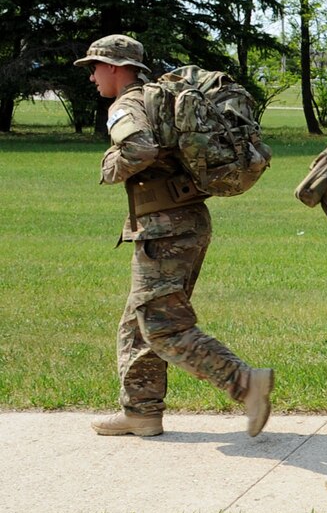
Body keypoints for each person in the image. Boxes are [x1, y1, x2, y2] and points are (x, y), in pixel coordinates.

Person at [78, 34, 272, 440]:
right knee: (137, 321)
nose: (92, 76)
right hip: (186, 221)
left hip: (165, 229)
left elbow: (139, 148)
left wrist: (108, 166)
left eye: (95, 67)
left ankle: (244, 382)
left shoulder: (127, 104)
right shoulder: (159, 98)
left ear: (115, 67)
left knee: (163, 325)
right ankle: (141, 411)